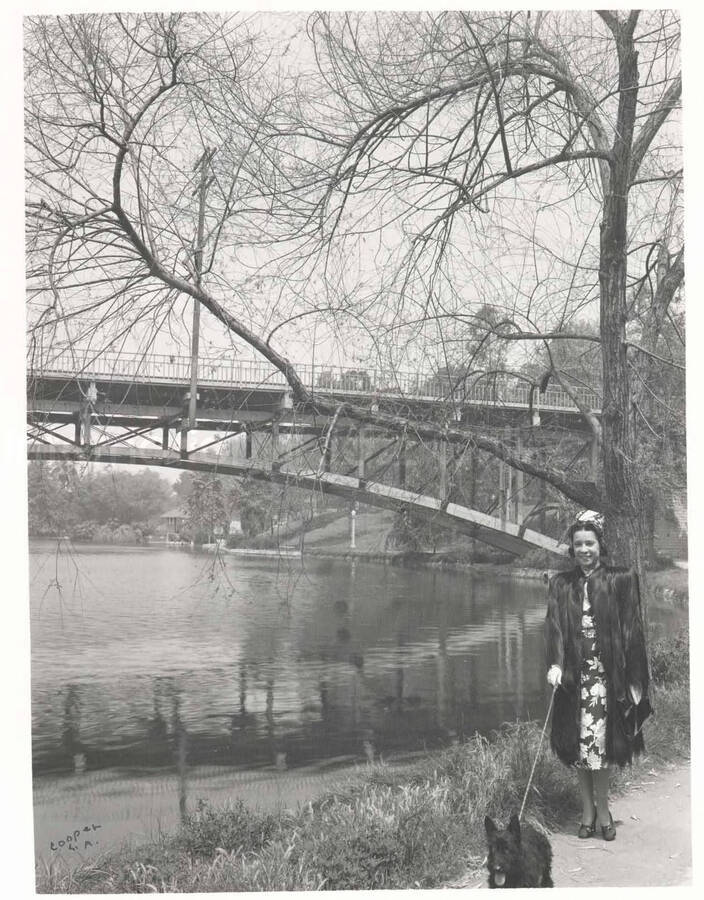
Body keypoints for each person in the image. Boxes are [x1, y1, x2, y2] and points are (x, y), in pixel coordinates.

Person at [544, 512, 651, 841]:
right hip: (575, 680)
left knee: (600, 750)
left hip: (607, 680)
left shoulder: (620, 579)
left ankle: (602, 810)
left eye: (589, 543)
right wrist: (556, 665)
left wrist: (635, 680)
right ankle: (586, 811)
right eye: (578, 544)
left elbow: (632, 632)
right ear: (572, 548)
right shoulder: (561, 583)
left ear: (600, 545)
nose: (584, 549)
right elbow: (555, 630)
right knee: (579, 748)